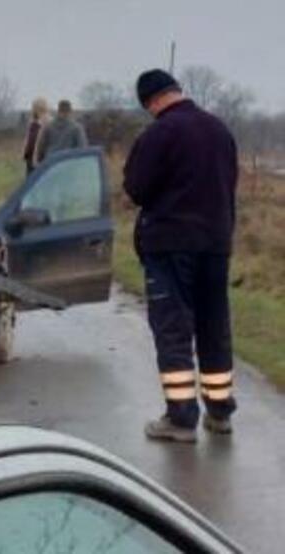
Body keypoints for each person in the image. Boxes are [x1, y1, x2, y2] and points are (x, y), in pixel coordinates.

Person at [124, 69, 238, 443]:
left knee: (173, 327)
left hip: (170, 244)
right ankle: (220, 411)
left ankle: (181, 418)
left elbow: (137, 188)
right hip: (216, 243)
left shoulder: (160, 133)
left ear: (151, 100)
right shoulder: (219, 130)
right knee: (213, 325)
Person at [33, 99, 88, 164]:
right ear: (70, 111)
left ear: (58, 111)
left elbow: (41, 148)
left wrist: (41, 162)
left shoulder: (48, 127)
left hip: (51, 164)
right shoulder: (77, 128)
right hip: (69, 164)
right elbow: (83, 149)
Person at [22, 98, 49, 174]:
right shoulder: (32, 122)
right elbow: (28, 138)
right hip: (30, 157)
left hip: (40, 157)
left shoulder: (47, 121)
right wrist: (25, 152)